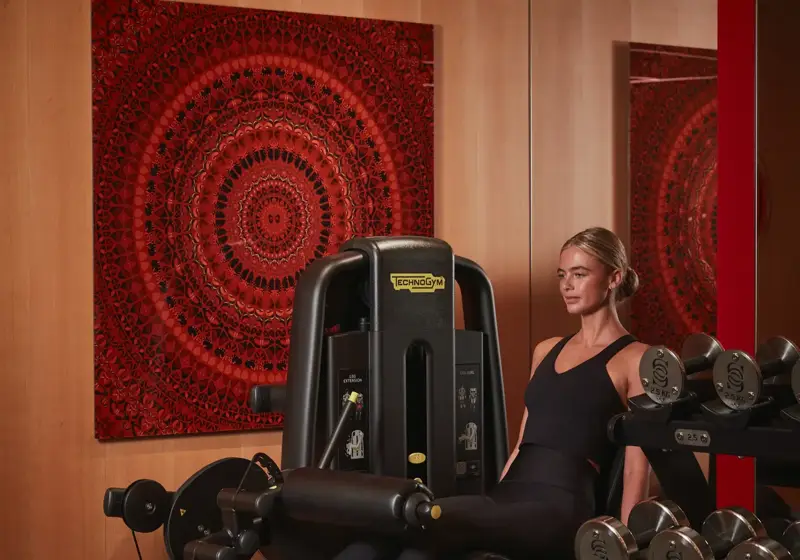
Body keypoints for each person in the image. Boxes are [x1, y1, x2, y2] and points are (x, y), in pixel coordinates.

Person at [336, 226, 651, 559]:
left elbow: (636, 468)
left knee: (421, 523)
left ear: (614, 278)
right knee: (382, 537)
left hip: (559, 506)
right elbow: (521, 444)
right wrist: (495, 498)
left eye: (580, 274)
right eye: (562, 275)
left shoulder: (636, 359)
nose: (567, 286)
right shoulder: (546, 350)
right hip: (508, 498)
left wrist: (626, 545)